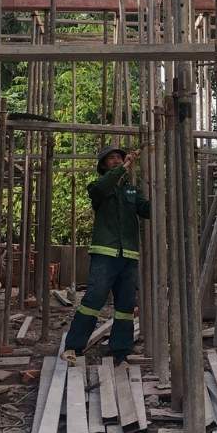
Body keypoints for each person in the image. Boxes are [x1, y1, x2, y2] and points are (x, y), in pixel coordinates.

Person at [61, 145, 150, 368]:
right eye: (111, 158)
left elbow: (147, 210)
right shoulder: (98, 187)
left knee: (125, 306)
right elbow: (103, 186)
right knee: (93, 300)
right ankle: (73, 347)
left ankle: (120, 352)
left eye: (119, 157)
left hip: (128, 255)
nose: (117, 160)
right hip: (105, 254)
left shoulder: (131, 191)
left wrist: (160, 191)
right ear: (103, 165)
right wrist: (125, 167)